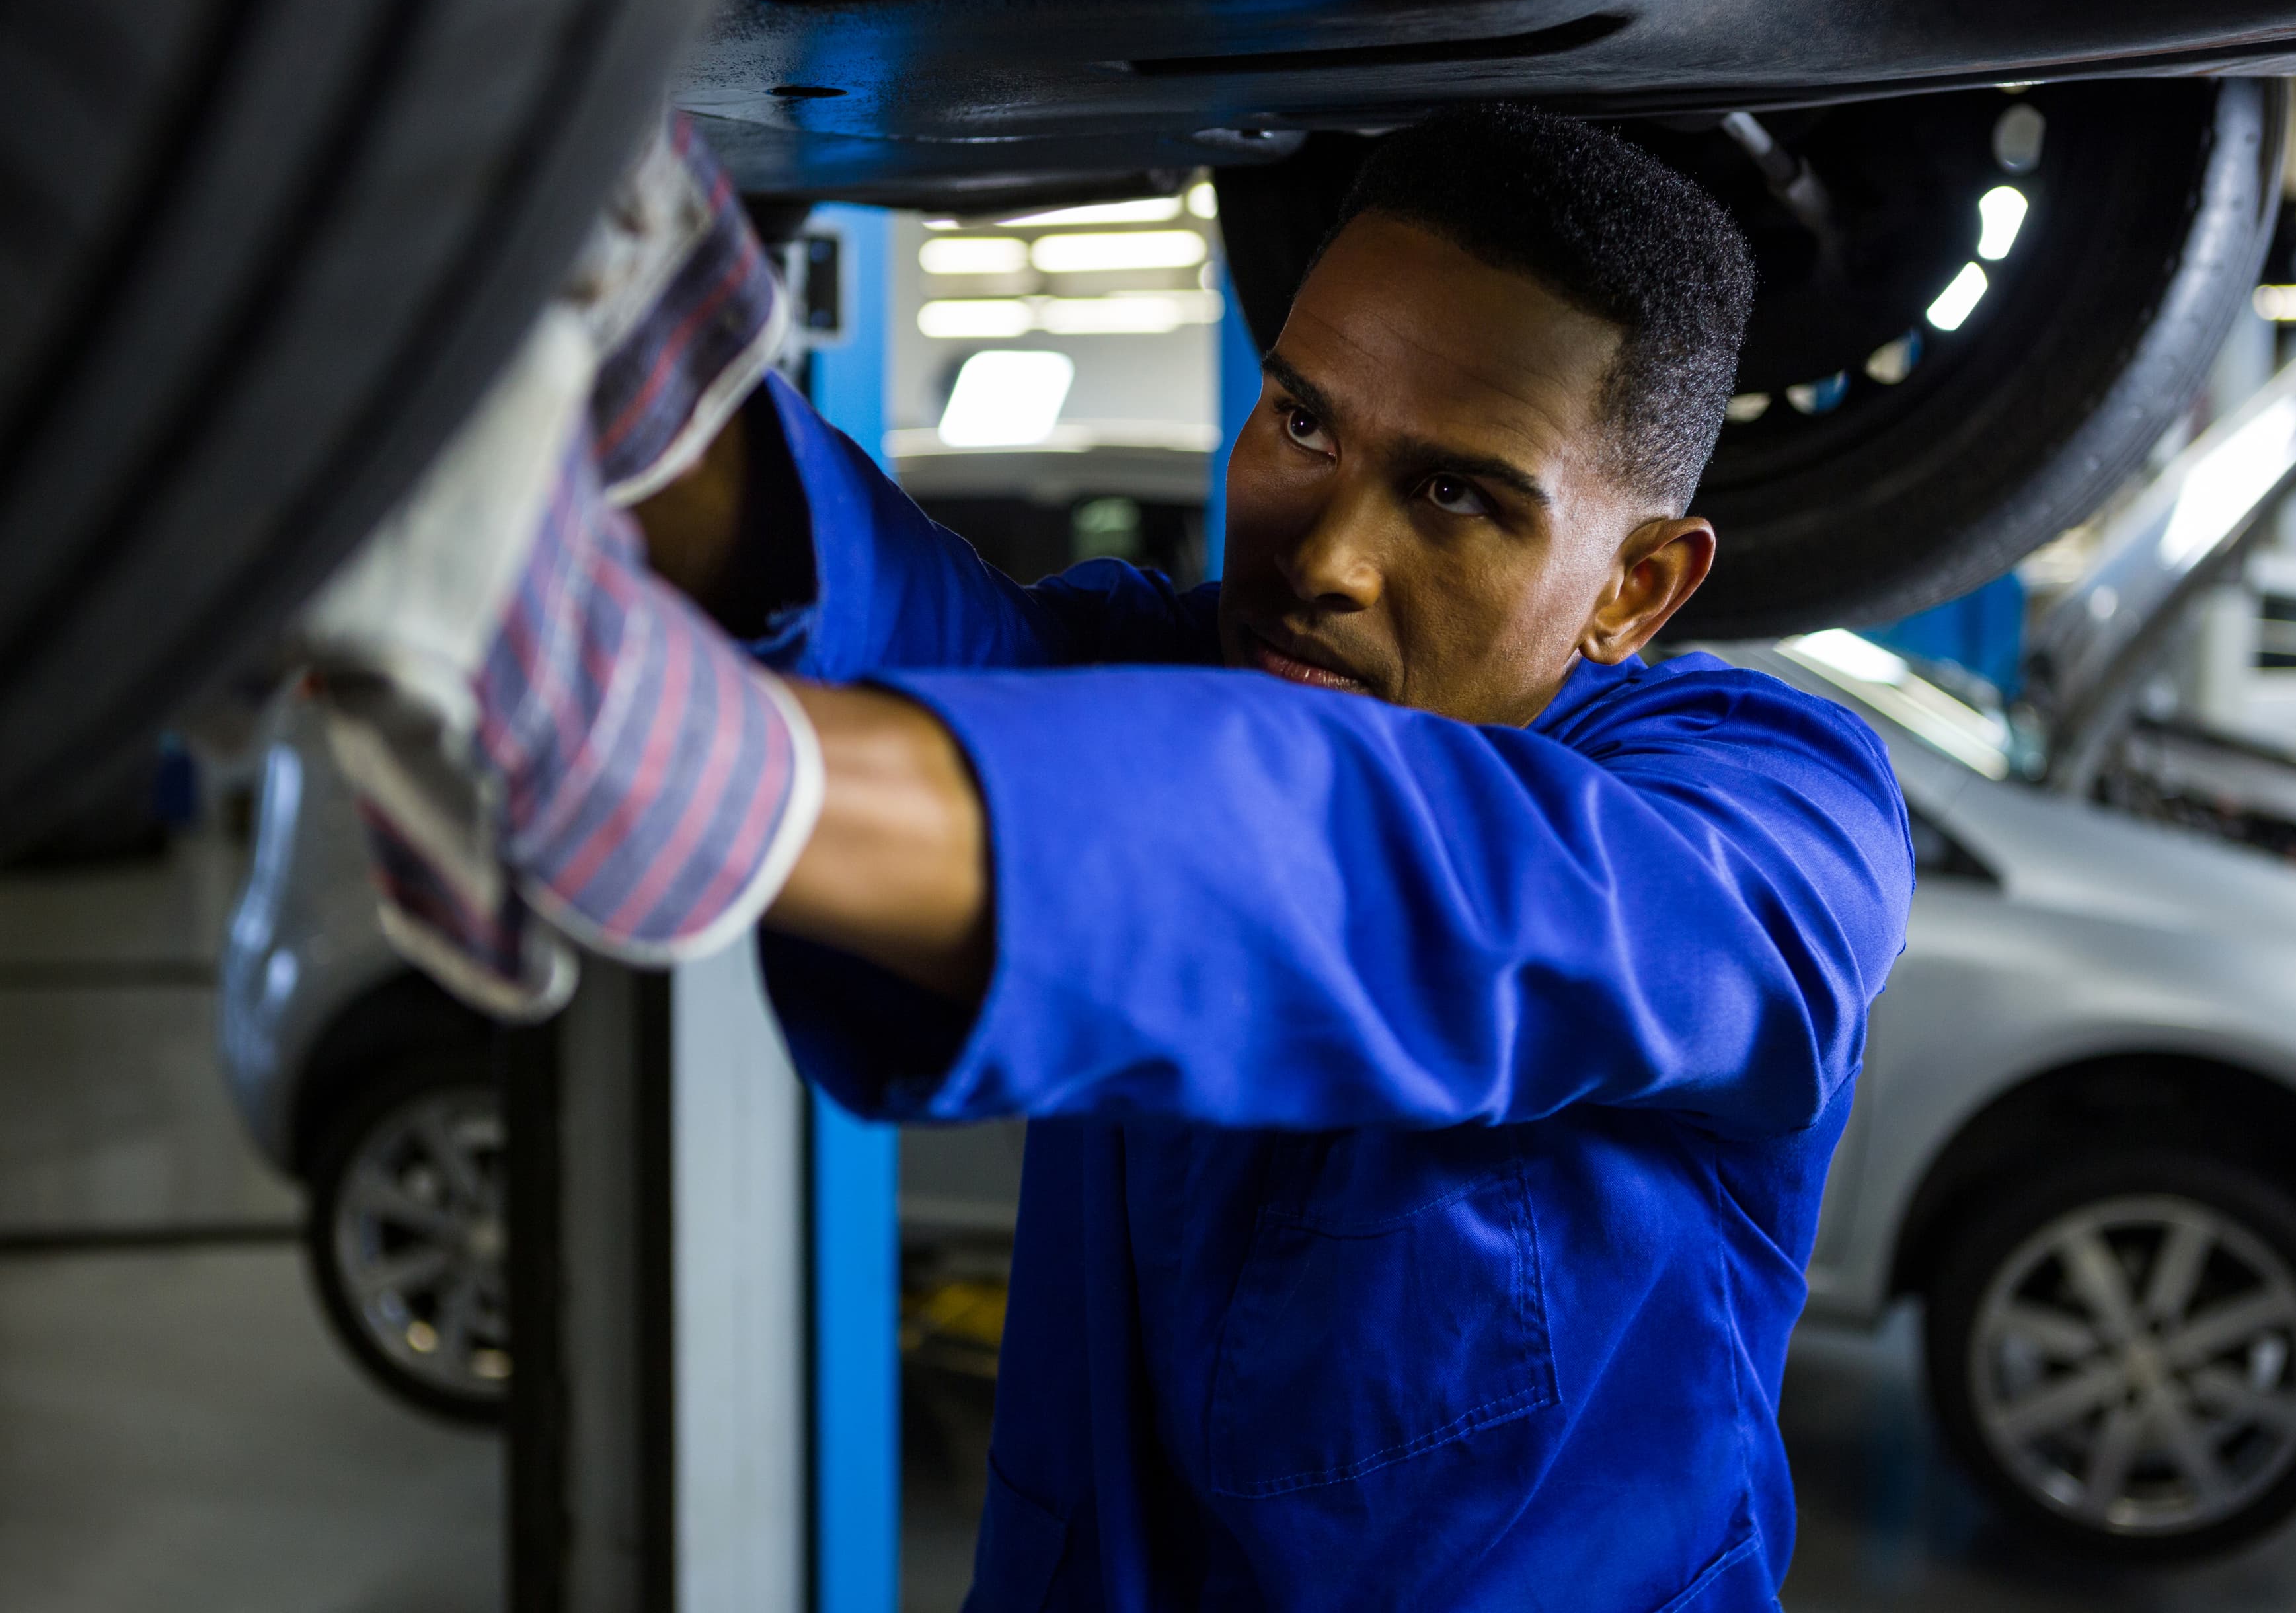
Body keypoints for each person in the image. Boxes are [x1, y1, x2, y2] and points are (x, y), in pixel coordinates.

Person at [302, 103, 1913, 1610]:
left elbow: (1421, 887)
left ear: (1637, 586)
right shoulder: (1198, 677)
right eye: (1302, 422)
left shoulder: (1774, 817)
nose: (1328, 557)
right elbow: (919, 644)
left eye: (1455, 496)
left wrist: (695, 763)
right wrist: (613, 366)